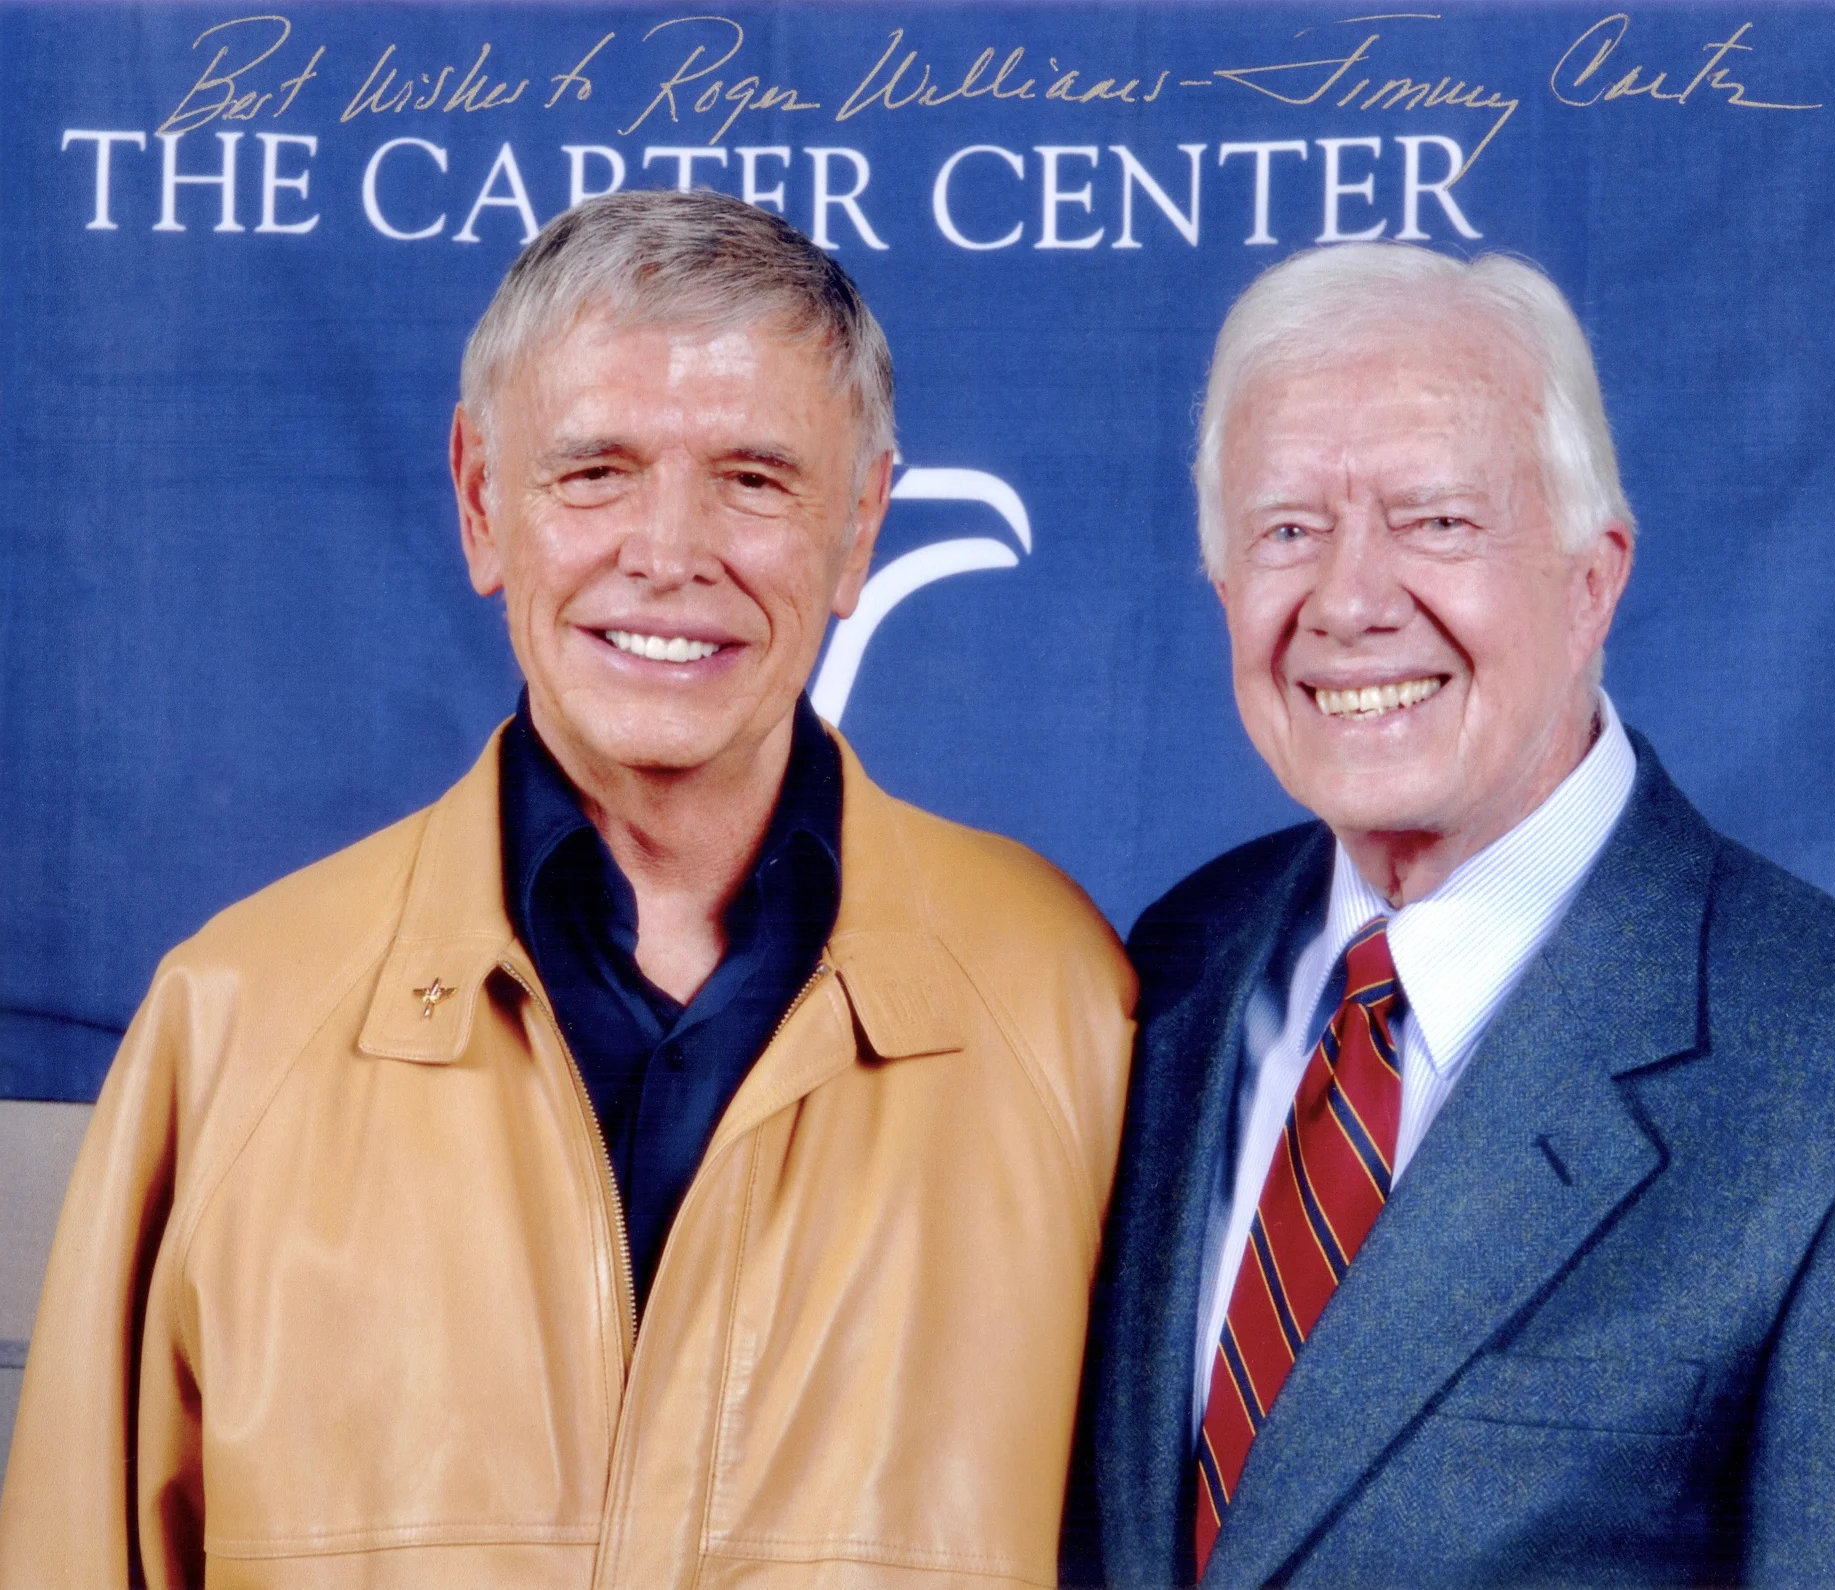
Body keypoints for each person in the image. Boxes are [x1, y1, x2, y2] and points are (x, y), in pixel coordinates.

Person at [0, 190, 1134, 1587]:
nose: (668, 552)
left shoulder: (1072, 1005)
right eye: (594, 471)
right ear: (483, 502)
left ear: (860, 527)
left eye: (756, 479)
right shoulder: (231, 1019)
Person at [1069, 242, 1835, 1587]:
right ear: (1223, 587)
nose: (1347, 600)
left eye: (1436, 519)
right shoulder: (1168, 973)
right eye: (1287, 529)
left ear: (1591, 580)